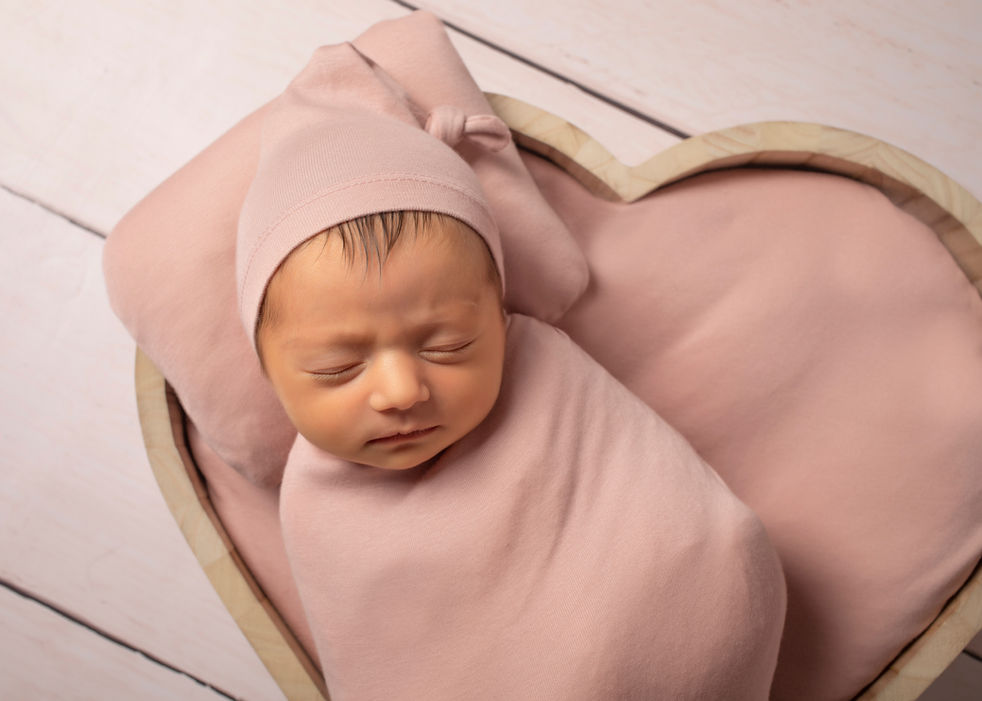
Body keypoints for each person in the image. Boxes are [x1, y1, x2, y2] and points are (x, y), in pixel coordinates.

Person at [253, 210, 507, 472]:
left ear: (501, 319)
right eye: (337, 367)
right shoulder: (306, 508)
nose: (402, 393)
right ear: (268, 372)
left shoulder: (548, 393)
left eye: (447, 346)